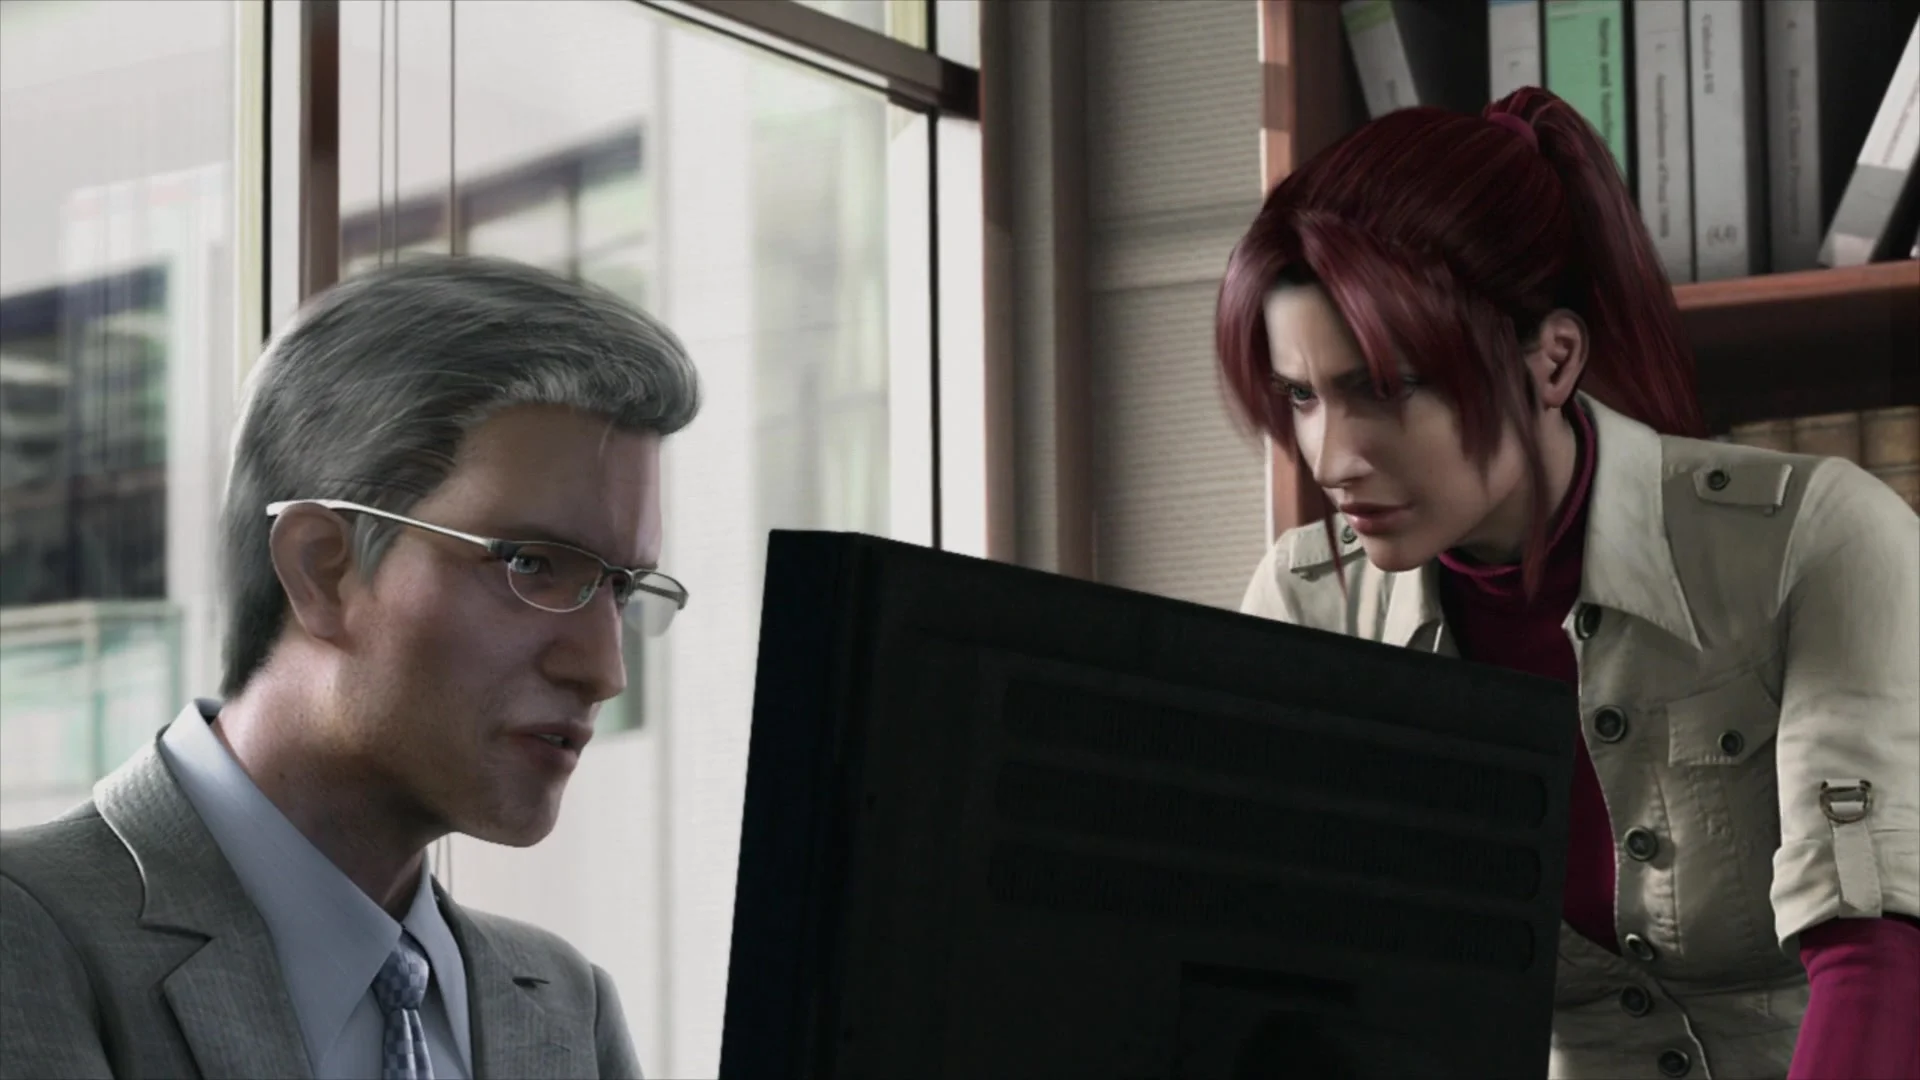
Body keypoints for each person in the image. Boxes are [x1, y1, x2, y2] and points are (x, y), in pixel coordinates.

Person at [1217, 87, 1920, 1079]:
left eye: (1385, 387)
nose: (1331, 458)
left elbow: (1877, 962)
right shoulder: (1306, 608)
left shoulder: (1820, 538)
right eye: (1300, 395)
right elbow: (1283, 990)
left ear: (1551, 361)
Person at [0, 256, 701, 1080]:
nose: (604, 671)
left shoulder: (569, 1003)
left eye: (620, 590)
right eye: (531, 564)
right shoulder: (28, 930)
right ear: (322, 568)